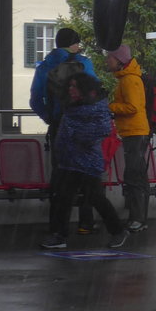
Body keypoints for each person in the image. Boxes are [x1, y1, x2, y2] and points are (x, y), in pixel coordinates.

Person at [39, 72, 128, 250]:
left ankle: (117, 231)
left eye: (75, 86)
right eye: (70, 86)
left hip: (86, 162)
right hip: (69, 160)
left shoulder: (94, 109)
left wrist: (75, 135)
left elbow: (101, 130)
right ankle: (60, 235)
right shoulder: (74, 107)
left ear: (84, 89)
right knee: (64, 198)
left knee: (94, 198)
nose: (71, 90)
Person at [30, 27, 98, 233]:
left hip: (59, 125)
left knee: (60, 176)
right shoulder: (84, 63)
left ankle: (57, 228)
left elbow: (35, 99)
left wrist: (49, 117)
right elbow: (94, 93)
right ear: (74, 43)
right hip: (82, 126)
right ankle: (86, 222)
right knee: (87, 173)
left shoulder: (45, 66)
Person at [104, 44, 149, 233]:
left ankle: (138, 219)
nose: (108, 61)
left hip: (135, 132)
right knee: (136, 175)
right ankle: (138, 218)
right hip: (134, 131)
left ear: (119, 60)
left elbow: (132, 107)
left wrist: (111, 107)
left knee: (134, 176)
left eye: (110, 58)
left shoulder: (129, 80)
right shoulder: (127, 78)